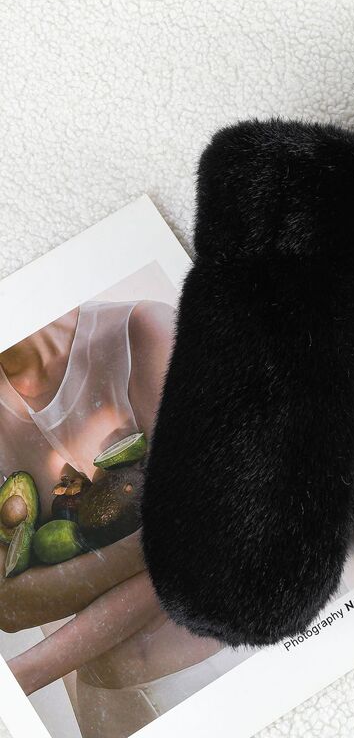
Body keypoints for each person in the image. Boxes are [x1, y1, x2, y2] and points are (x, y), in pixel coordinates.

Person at [0, 300, 251, 738]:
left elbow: (217, 529)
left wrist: (24, 676)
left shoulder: (141, 331)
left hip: (230, 670)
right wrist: (159, 543)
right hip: (109, 711)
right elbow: (10, 606)